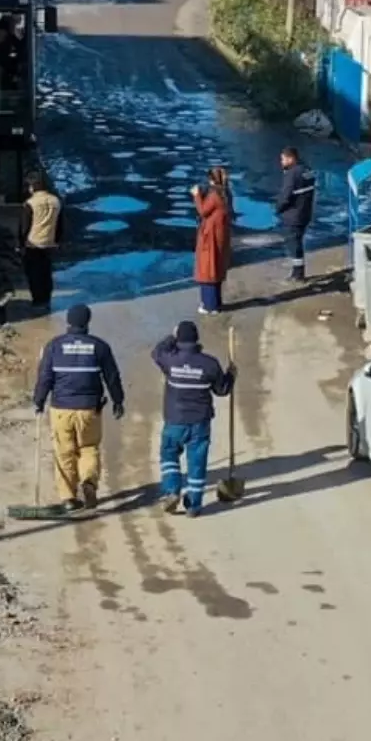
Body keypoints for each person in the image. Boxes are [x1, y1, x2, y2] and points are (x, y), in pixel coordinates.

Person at [33, 303, 126, 513]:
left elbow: (45, 378)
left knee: (64, 452)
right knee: (89, 448)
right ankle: (89, 482)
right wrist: (118, 400)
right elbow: (112, 376)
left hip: (61, 410)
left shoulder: (54, 346)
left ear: (68, 321)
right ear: (88, 322)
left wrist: (38, 400)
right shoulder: (100, 346)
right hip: (89, 410)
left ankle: (68, 497)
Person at [151, 321, 235, 516]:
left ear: (178, 339)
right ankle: (194, 505)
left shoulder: (170, 360)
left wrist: (171, 337)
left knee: (169, 455)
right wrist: (231, 375)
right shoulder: (209, 363)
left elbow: (156, 352)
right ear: (197, 339)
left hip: (174, 420)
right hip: (200, 422)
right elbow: (222, 390)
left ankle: (172, 490)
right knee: (197, 461)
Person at [191, 166, 233, 315]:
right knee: (217, 268)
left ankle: (209, 305)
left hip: (211, 236)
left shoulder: (214, 195)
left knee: (208, 269)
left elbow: (203, 211)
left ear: (211, 179)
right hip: (221, 235)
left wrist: (196, 195)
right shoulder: (226, 193)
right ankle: (216, 302)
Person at [19, 170, 63, 313]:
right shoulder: (56, 201)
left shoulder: (30, 203)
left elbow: (24, 226)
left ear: (32, 187)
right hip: (49, 243)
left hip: (33, 243)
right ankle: (46, 300)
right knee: (46, 272)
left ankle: (37, 301)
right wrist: (58, 240)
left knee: (34, 273)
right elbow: (60, 224)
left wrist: (20, 244)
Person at [275, 146, 316, 282]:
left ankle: (298, 274)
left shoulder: (292, 174)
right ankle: (298, 272)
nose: (281, 162)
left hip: (293, 215)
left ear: (291, 158)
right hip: (305, 213)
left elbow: (285, 196)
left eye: (283, 159)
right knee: (298, 241)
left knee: (294, 243)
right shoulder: (307, 170)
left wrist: (278, 208)